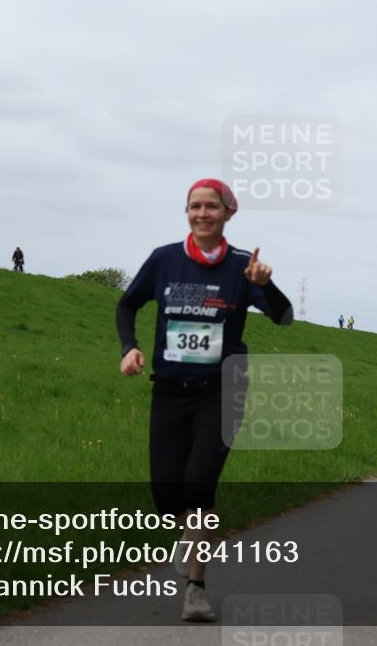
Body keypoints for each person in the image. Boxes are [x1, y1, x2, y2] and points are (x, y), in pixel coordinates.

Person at [115, 178, 293, 622]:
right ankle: (191, 540)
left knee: (199, 486)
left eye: (211, 206)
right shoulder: (164, 260)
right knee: (165, 493)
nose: (201, 214)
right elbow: (126, 305)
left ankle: (196, 588)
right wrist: (129, 348)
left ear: (229, 212)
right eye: (194, 206)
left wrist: (266, 286)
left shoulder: (242, 267)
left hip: (223, 391)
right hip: (170, 391)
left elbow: (284, 317)